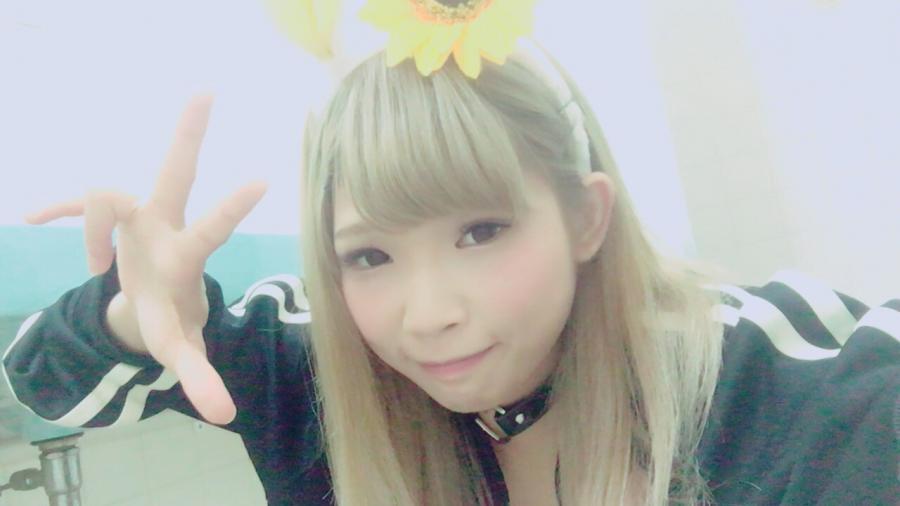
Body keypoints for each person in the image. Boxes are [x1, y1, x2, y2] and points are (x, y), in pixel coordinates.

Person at [3, 1, 898, 504]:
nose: (429, 314)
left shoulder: (758, 380)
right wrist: (133, 318)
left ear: (586, 218)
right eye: (369, 256)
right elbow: (46, 383)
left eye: (481, 232)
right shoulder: (312, 355)